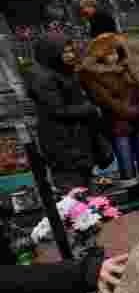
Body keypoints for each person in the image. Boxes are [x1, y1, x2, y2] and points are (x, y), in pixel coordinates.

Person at [27, 32, 102, 189]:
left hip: (76, 139)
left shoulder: (63, 70)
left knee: (84, 184)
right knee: (73, 188)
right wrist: (89, 108)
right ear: (51, 53)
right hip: (62, 141)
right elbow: (57, 109)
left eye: (71, 51)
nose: (70, 55)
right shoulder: (43, 77)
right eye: (65, 52)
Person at [78, 33, 139, 182]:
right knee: (126, 158)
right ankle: (132, 186)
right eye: (109, 54)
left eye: (116, 52)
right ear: (100, 56)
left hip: (137, 118)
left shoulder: (125, 67)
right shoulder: (94, 75)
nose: (114, 56)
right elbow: (104, 100)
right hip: (118, 122)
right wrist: (129, 111)